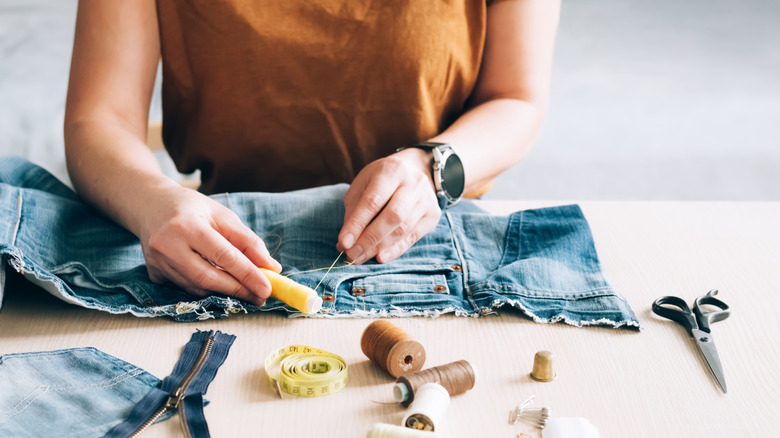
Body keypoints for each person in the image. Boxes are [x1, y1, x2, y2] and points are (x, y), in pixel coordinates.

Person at [63, 0, 560, 308]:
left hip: (430, 245)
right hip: (221, 253)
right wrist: (152, 202)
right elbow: (99, 118)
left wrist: (432, 166)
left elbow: (516, 98)